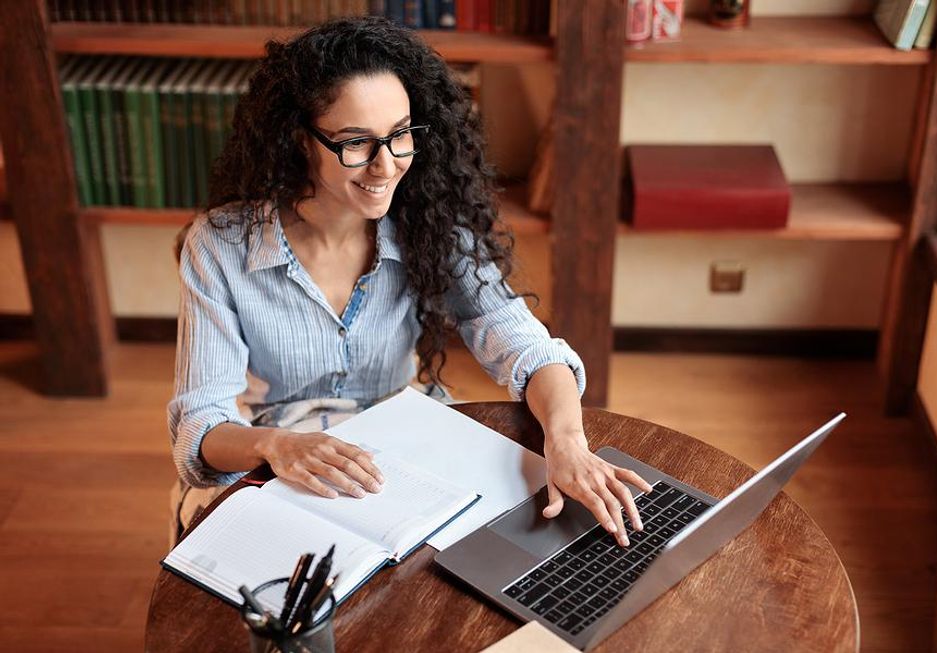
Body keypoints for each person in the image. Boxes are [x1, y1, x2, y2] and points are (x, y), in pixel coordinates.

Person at [167, 16, 650, 547]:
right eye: (356, 143)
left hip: (409, 434)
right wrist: (277, 447)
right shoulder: (220, 245)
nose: (386, 166)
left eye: (400, 136)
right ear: (299, 140)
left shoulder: (429, 221)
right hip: (280, 448)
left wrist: (568, 443)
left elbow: (527, 347)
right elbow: (201, 426)